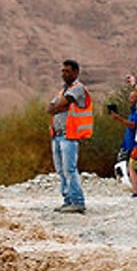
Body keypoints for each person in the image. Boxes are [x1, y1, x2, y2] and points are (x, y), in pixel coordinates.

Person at [46, 59, 91, 213]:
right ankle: (68, 200)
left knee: (69, 169)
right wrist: (60, 106)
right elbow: (50, 108)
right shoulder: (62, 90)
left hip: (69, 134)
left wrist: (59, 105)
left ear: (76, 72)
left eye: (67, 71)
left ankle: (78, 201)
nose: (64, 74)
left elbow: (60, 104)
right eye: (63, 71)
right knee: (61, 170)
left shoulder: (78, 88)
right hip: (57, 134)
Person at [109, 92, 137, 195]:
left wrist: (120, 119)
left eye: (133, 97)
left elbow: (133, 125)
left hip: (134, 143)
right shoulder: (132, 111)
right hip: (127, 143)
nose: (130, 98)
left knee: (134, 167)